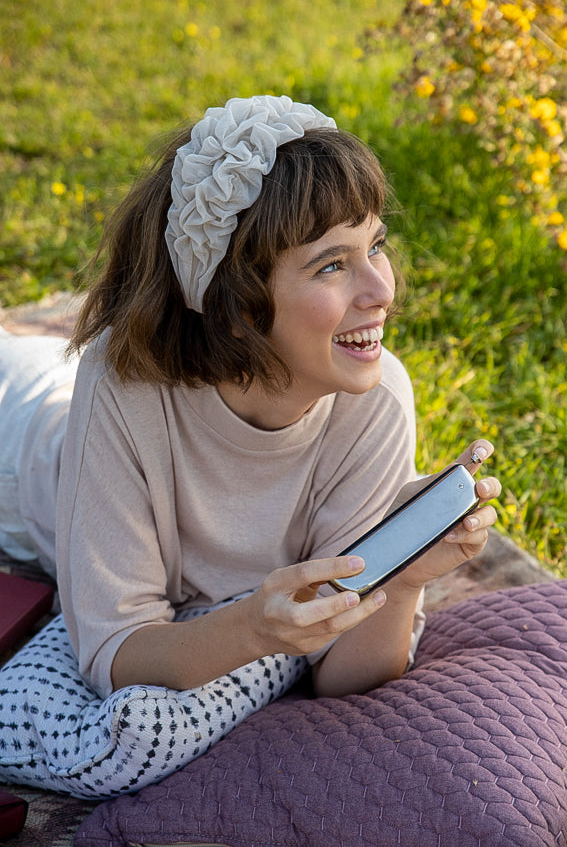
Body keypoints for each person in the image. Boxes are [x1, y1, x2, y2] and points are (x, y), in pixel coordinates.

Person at [0, 95, 500, 719]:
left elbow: (345, 680)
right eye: (331, 266)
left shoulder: (375, 401)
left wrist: (401, 580)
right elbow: (113, 653)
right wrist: (250, 634)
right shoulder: (121, 387)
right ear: (236, 305)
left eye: (376, 246)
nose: (380, 291)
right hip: (21, 464)